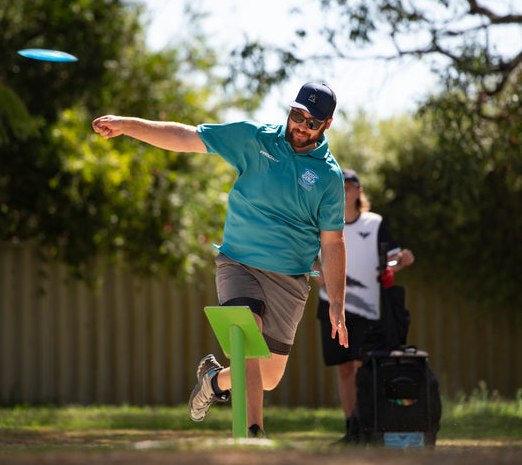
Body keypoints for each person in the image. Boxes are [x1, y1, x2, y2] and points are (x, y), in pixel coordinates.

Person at [92, 82, 349, 437]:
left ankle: (213, 382)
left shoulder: (329, 177)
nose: (301, 126)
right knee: (247, 339)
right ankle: (253, 434)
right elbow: (187, 137)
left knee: (268, 375)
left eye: (312, 122)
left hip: (288, 278)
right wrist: (126, 125)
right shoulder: (254, 139)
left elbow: (333, 242)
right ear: (289, 111)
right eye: (296, 115)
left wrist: (337, 300)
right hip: (238, 262)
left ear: (327, 124)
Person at [313, 169, 414, 442]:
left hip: (367, 309)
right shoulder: (323, 220)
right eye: (339, 187)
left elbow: (390, 261)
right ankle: (350, 429)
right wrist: (317, 274)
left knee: (361, 366)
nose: (344, 191)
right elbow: (308, 259)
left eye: (349, 187)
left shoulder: (374, 222)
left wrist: (402, 260)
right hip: (331, 307)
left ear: (359, 191)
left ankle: (365, 426)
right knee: (344, 367)